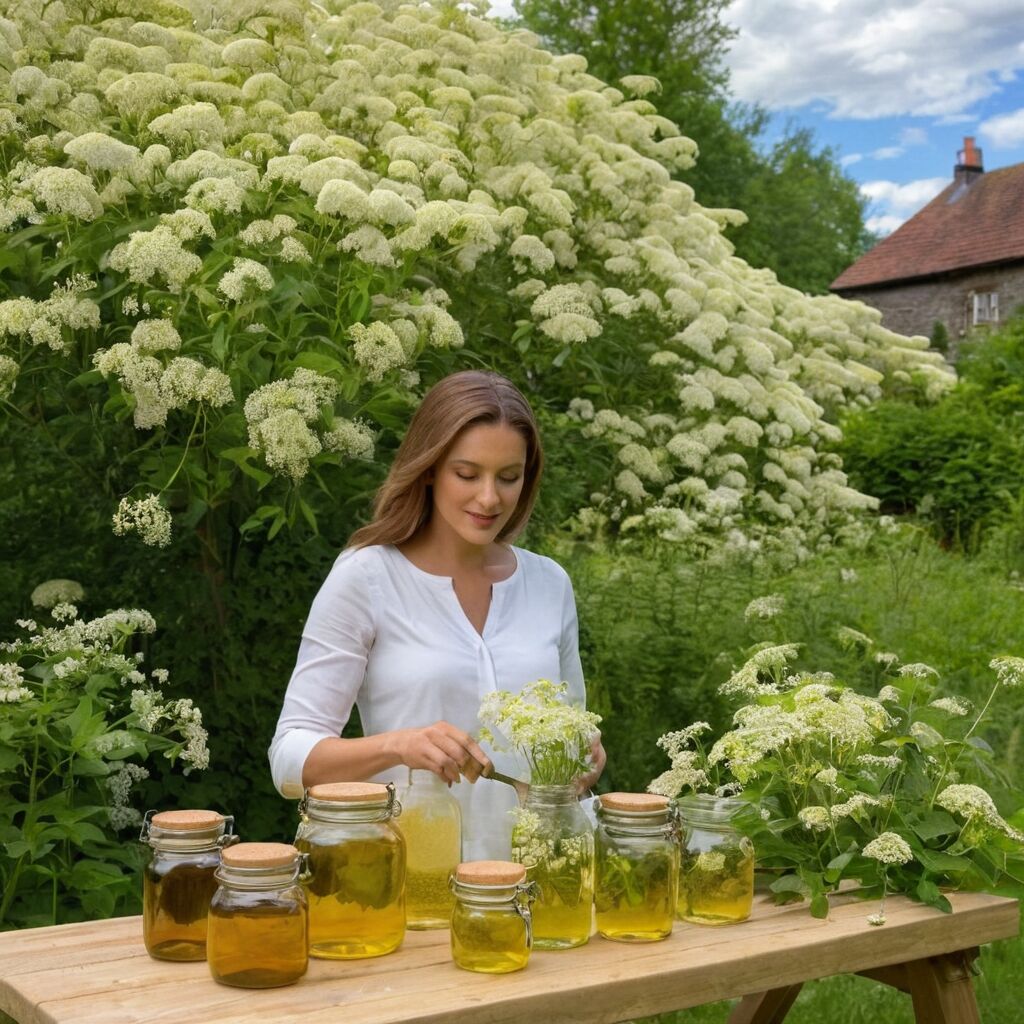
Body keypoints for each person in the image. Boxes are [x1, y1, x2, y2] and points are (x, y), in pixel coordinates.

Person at [269, 369, 605, 859]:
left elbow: (575, 731)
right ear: (429, 468)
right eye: (467, 474)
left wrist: (586, 759)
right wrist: (398, 746)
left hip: (543, 885)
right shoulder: (366, 578)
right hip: (415, 887)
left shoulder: (549, 583)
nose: (489, 498)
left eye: (508, 477)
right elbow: (289, 761)